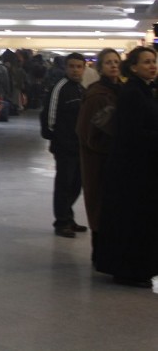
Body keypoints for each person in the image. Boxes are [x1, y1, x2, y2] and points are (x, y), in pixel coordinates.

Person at [95, 46, 158, 287]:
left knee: (139, 221)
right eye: (146, 62)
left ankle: (138, 268)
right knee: (132, 221)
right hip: (132, 170)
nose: (152, 66)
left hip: (140, 167)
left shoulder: (142, 90)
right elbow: (132, 132)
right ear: (133, 67)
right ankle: (129, 270)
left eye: (154, 61)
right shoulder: (133, 92)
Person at [75, 48, 121, 264]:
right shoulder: (97, 95)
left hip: (114, 160)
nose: (113, 66)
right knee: (99, 205)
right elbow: (87, 133)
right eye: (109, 62)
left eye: (116, 62)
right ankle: (100, 255)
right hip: (99, 161)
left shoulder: (120, 91)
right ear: (101, 67)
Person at [42, 52, 86, 238]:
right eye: (72, 66)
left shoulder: (80, 89)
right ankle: (61, 221)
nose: (75, 70)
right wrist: (55, 137)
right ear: (66, 68)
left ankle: (68, 217)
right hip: (64, 146)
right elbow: (50, 116)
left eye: (79, 66)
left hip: (78, 146)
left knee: (76, 184)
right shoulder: (60, 88)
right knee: (64, 184)